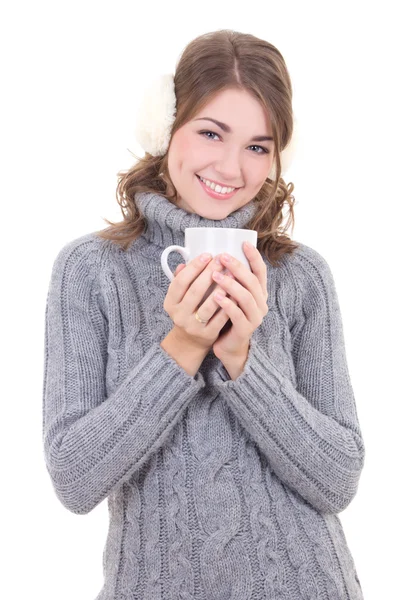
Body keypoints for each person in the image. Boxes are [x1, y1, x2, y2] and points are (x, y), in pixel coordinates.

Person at [42, 29, 365, 599]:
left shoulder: (300, 276)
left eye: (258, 147)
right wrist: (183, 347)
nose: (232, 166)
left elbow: (338, 479)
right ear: (166, 129)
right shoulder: (90, 271)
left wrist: (243, 359)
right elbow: (74, 478)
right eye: (211, 132)